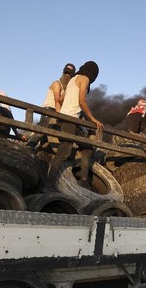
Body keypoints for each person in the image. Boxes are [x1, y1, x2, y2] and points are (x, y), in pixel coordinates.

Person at [44, 61, 103, 191]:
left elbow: (60, 99)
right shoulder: (85, 78)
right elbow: (82, 101)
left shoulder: (72, 80)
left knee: (87, 147)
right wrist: (93, 119)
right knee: (63, 153)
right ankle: (48, 185)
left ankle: (84, 180)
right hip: (70, 120)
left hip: (68, 119)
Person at [26, 63, 76, 150]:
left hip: (59, 111)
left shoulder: (68, 89)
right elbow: (57, 100)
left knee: (48, 135)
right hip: (50, 110)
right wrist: (60, 116)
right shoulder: (57, 83)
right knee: (42, 129)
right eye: (66, 73)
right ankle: (29, 147)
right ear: (63, 72)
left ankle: (38, 151)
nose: (67, 75)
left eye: (70, 74)